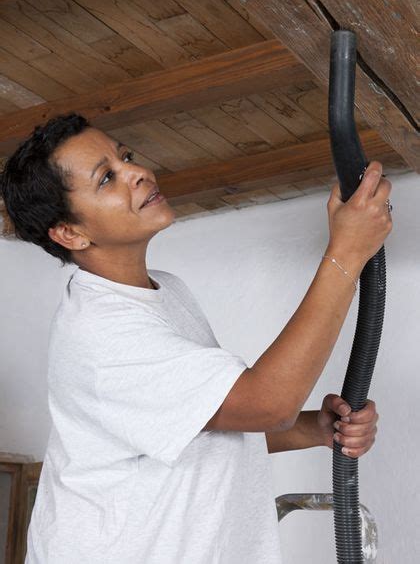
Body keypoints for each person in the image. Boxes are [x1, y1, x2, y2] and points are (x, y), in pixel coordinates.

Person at [0, 113, 390, 564]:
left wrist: (312, 429)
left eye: (125, 156)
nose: (138, 172)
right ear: (71, 233)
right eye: (107, 178)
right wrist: (346, 252)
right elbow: (268, 402)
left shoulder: (162, 291)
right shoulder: (102, 334)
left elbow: (194, 429)